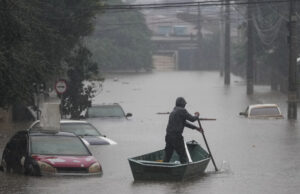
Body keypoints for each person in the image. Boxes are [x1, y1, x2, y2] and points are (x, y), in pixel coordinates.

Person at [163, 97, 203, 163]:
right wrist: (197, 115)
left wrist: (196, 128)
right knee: (183, 155)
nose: (185, 106)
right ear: (182, 104)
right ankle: (184, 169)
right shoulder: (182, 110)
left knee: (168, 155)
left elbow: (184, 123)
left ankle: (163, 168)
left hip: (168, 136)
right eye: (184, 104)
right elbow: (192, 119)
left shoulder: (174, 111)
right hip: (176, 137)